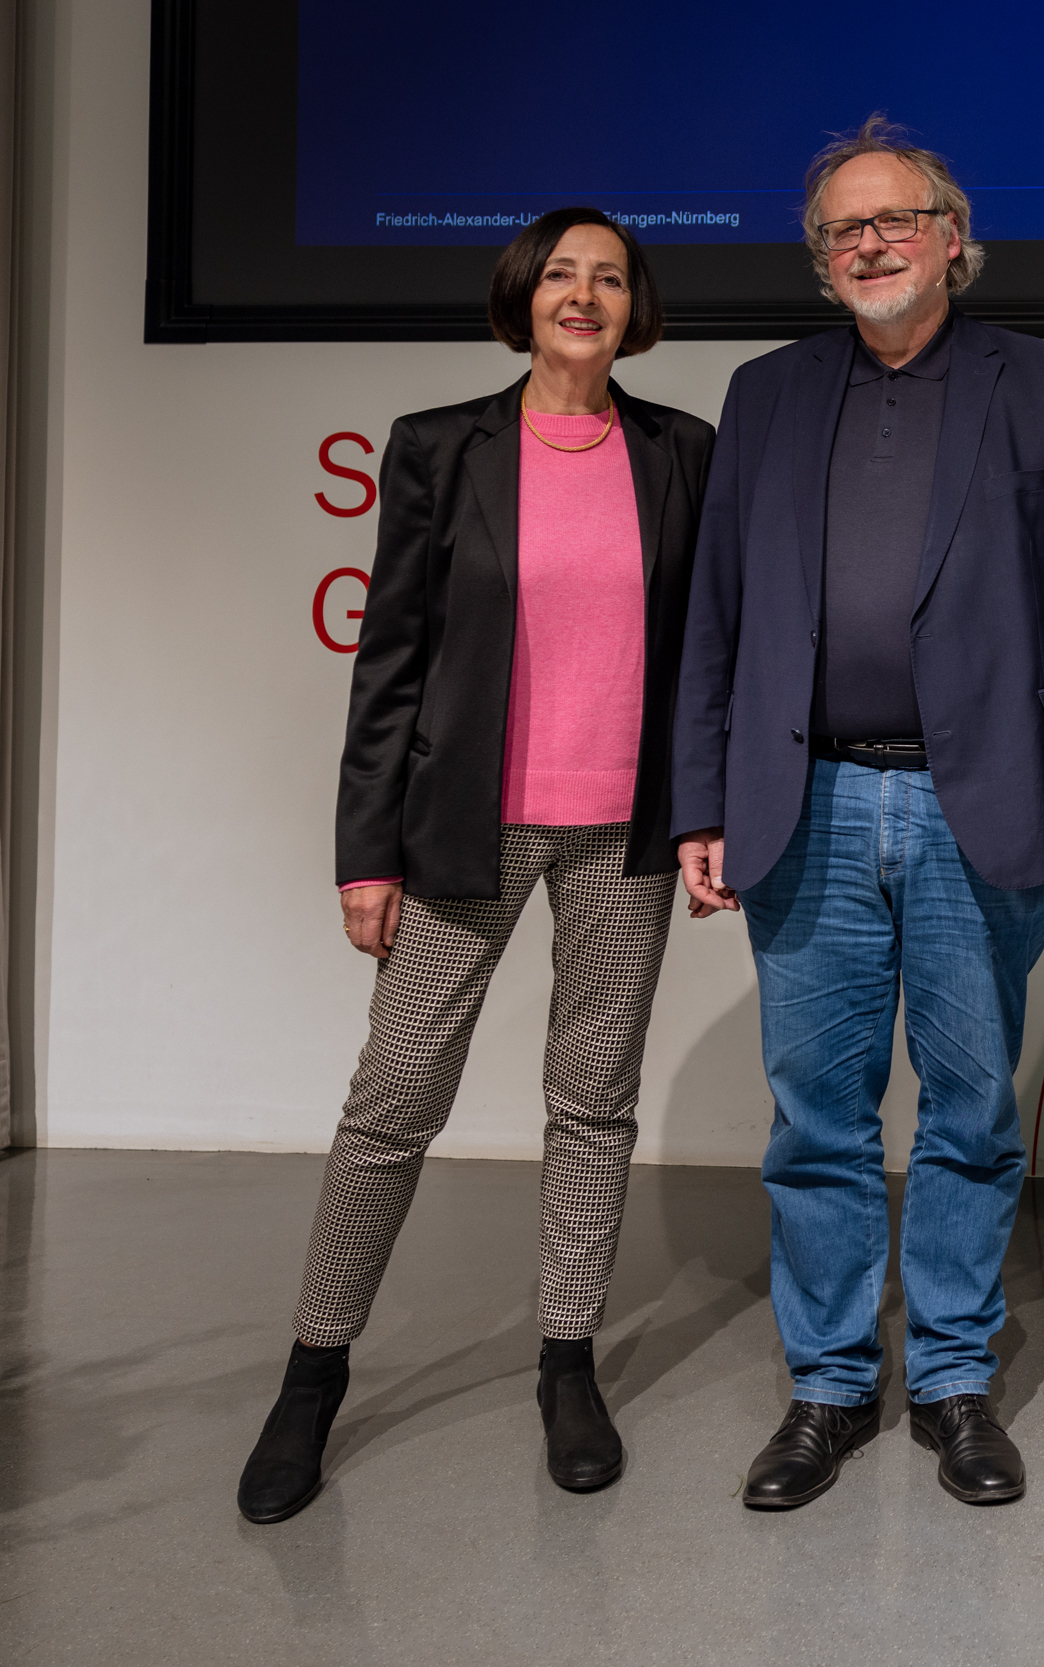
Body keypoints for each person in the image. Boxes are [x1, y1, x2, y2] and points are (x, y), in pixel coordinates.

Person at [672, 118, 1044, 1513]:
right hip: (801, 799)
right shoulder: (763, 395)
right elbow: (719, 615)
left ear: (951, 235)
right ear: (820, 264)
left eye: (894, 221)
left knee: (967, 1112)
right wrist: (701, 796)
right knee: (815, 1118)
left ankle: (949, 1378)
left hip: (977, 808)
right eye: (842, 232)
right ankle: (826, 1385)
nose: (869, 245)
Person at [236, 209, 716, 1523]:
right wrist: (365, 855)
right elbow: (388, 662)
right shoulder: (443, 448)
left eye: (609, 277)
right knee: (394, 1098)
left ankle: (567, 1360)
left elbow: (704, 659)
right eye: (562, 273)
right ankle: (314, 1372)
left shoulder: (685, 455)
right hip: (465, 830)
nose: (584, 294)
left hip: (625, 836)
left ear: (636, 307)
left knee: (593, 1100)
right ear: (523, 295)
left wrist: (703, 813)